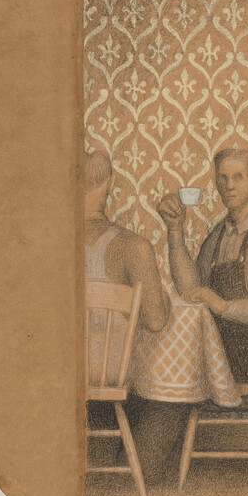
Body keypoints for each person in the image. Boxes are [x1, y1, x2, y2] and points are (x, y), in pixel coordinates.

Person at [157, 147, 248, 385]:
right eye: (223, 178)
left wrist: (224, 306)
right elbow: (191, 289)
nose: (229, 186)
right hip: (222, 349)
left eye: (238, 177)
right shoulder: (218, 235)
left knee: (173, 364)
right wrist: (175, 230)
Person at [84, 149, 171, 364]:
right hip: (110, 371)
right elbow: (156, 321)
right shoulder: (134, 246)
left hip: (60, 377)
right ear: (110, 184)